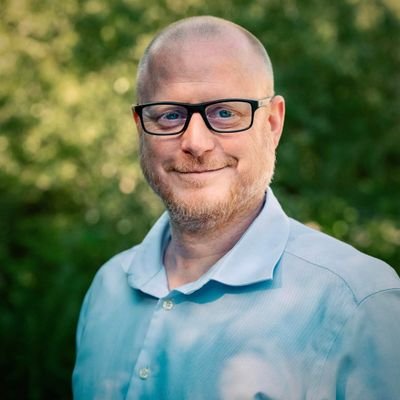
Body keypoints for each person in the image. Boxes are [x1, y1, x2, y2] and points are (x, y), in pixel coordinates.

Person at [72, 16, 400, 399]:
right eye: (170, 115)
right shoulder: (108, 288)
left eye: (225, 113)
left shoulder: (360, 303)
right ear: (140, 126)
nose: (196, 143)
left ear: (272, 123)